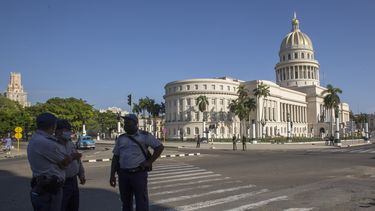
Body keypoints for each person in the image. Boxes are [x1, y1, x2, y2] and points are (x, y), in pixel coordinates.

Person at [110, 114, 164, 211]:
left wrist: (149, 162)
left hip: (139, 174)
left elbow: (159, 147)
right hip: (123, 175)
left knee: (141, 202)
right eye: (125, 123)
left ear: (136, 124)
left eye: (128, 123)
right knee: (125, 202)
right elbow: (116, 157)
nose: (125, 125)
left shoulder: (144, 136)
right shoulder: (121, 138)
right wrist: (112, 175)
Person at [27, 113, 81, 211]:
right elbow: (64, 163)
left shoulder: (35, 139)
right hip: (49, 188)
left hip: (45, 185)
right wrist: (72, 157)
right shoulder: (46, 142)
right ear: (54, 126)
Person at [55, 119, 85, 211]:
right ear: (58, 131)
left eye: (69, 130)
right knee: (62, 206)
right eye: (66, 130)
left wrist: (81, 174)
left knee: (74, 206)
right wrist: (73, 157)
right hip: (61, 182)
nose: (68, 132)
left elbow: (78, 160)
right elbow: (60, 163)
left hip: (73, 181)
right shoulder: (53, 145)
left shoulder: (70, 143)